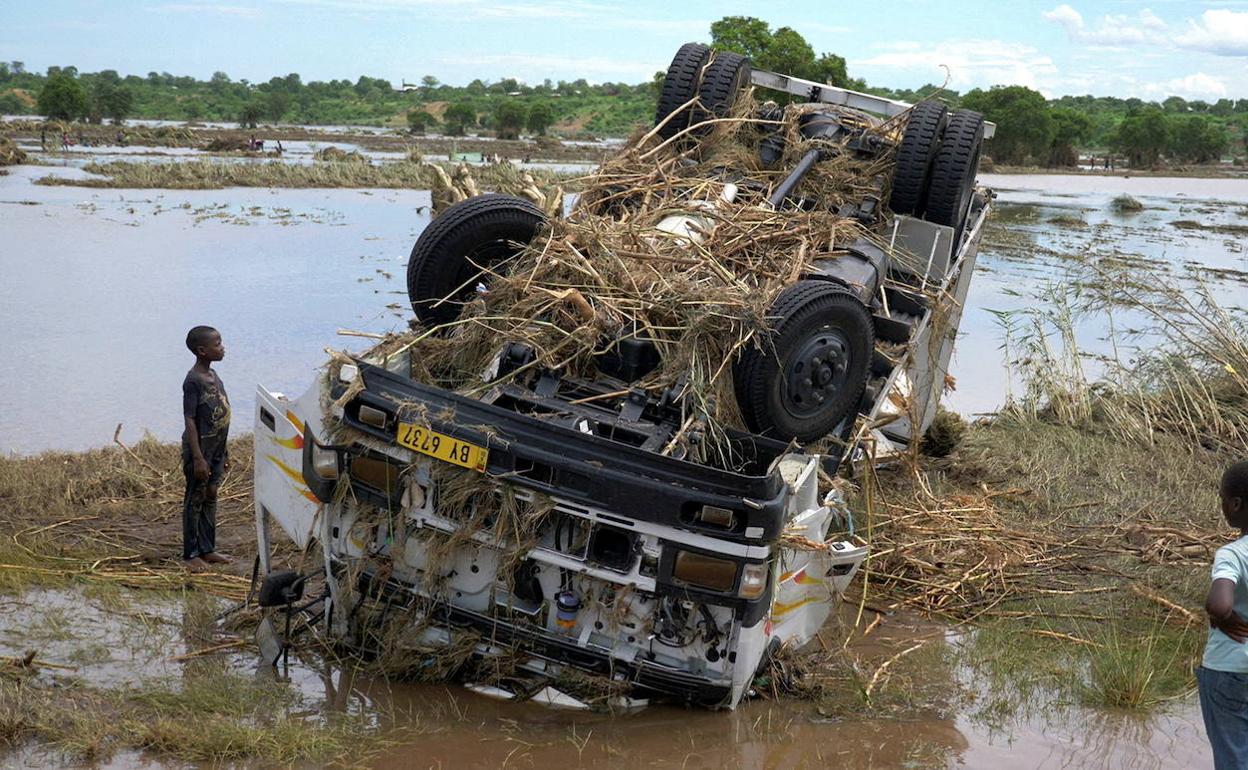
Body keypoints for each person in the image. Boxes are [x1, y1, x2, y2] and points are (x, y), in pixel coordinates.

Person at [1198, 460, 1248, 769]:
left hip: (1228, 670)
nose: (1222, 505)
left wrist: (1219, 615)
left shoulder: (1232, 554)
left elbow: (1219, 603)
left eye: (1222, 498)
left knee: (1234, 758)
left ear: (1236, 503)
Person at [181, 326, 234, 572]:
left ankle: (207, 548)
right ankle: (191, 553)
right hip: (200, 451)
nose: (222, 347)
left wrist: (224, 452)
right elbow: (190, 419)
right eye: (218, 344)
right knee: (196, 498)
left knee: (211, 494)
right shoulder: (193, 381)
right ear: (202, 351)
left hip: (216, 450)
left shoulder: (214, 375)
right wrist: (198, 458)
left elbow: (221, 415)